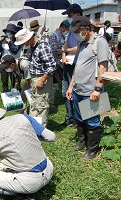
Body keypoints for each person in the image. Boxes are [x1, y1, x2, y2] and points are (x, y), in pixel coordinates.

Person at [66, 16, 109, 160]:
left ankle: (92, 150)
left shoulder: (99, 42)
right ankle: (81, 143)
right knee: (79, 118)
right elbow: (76, 67)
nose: (76, 34)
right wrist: (71, 86)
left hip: (90, 91)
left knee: (92, 121)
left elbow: (103, 66)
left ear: (87, 29)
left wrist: (97, 89)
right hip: (78, 89)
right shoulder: (82, 44)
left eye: (78, 31)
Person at [15, 29, 56, 127]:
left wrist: (42, 80)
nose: (23, 45)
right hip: (34, 78)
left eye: (23, 43)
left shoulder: (43, 46)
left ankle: (41, 130)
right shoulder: (33, 47)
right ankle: (33, 128)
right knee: (34, 104)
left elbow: (52, 66)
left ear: (28, 39)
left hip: (41, 78)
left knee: (41, 106)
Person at [61, 3, 83, 128]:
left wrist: (67, 50)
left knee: (75, 91)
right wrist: (64, 55)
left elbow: (79, 48)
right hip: (67, 64)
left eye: (70, 15)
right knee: (66, 90)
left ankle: (77, 118)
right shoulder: (70, 31)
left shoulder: (82, 31)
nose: (69, 17)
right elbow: (65, 46)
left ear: (78, 15)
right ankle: (69, 116)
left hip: (77, 64)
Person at [48, 20, 70, 109]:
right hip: (55, 63)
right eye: (67, 29)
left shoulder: (62, 35)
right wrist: (65, 50)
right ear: (63, 27)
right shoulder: (54, 35)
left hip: (61, 63)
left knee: (56, 83)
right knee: (53, 84)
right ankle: (50, 102)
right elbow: (54, 50)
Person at [0, 23, 22, 92]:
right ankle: (5, 94)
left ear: (13, 33)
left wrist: (10, 42)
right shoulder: (4, 40)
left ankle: (15, 93)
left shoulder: (17, 41)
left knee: (14, 80)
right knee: (4, 80)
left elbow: (15, 50)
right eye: (6, 32)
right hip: (3, 62)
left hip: (12, 63)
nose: (7, 33)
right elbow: (0, 50)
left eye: (9, 32)